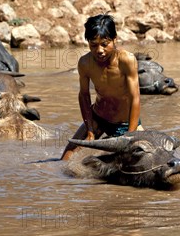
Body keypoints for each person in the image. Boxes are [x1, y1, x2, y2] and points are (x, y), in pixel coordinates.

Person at [61, 14, 143, 161]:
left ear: (114, 39)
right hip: (98, 119)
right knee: (65, 160)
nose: (99, 50)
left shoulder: (127, 60)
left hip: (125, 123)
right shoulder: (85, 63)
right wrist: (90, 130)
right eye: (93, 45)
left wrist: (130, 135)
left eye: (105, 44)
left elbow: (135, 98)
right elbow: (84, 96)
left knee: (143, 162)